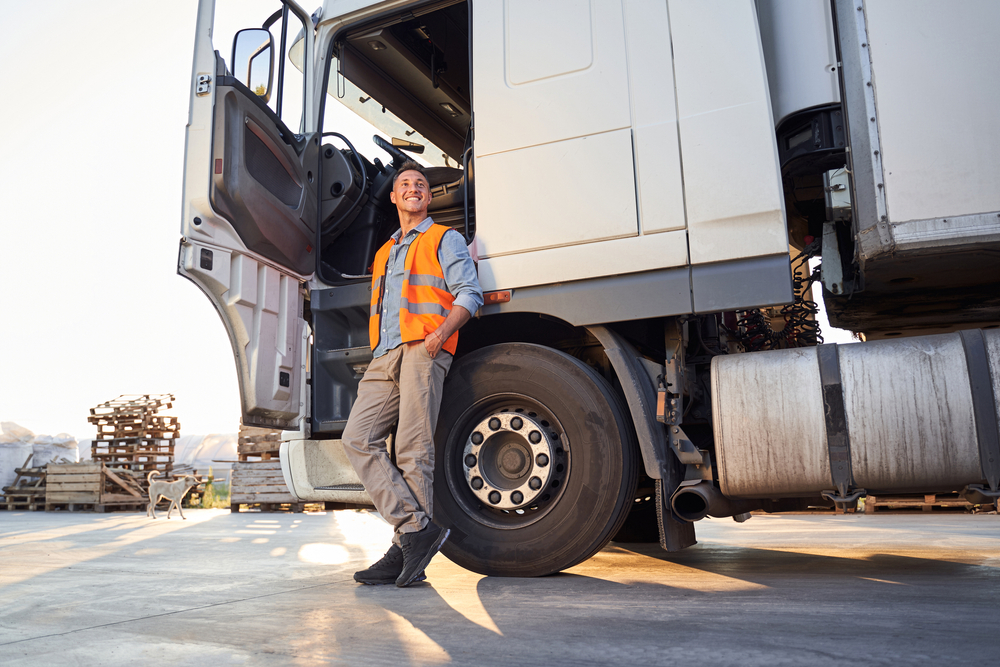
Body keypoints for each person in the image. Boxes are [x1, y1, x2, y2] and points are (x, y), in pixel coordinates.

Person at [342, 160, 483, 587]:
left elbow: (470, 294)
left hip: (424, 348)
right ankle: (414, 532)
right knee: (358, 439)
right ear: (394, 196)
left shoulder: (445, 238)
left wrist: (439, 335)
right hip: (385, 355)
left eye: (420, 184)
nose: (413, 188)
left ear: (428, 196)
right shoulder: (384, 252)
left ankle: (407, 549)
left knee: (412, 448)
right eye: (405, 184)